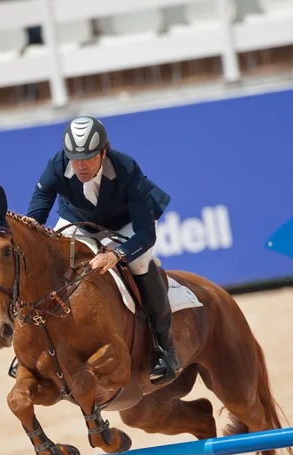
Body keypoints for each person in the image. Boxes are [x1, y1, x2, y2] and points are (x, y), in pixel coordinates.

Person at [27, 116, 181, 383]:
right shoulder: (57, 165)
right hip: (79, 220)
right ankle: (31, 350)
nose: (81, 165)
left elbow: (146, 233)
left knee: (140, 263)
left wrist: (117, 255)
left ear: (104, 151)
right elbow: (35, 218)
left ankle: (165, 350)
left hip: (127, 223)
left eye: (87, 157)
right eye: (75, 158)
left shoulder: (126, 168)